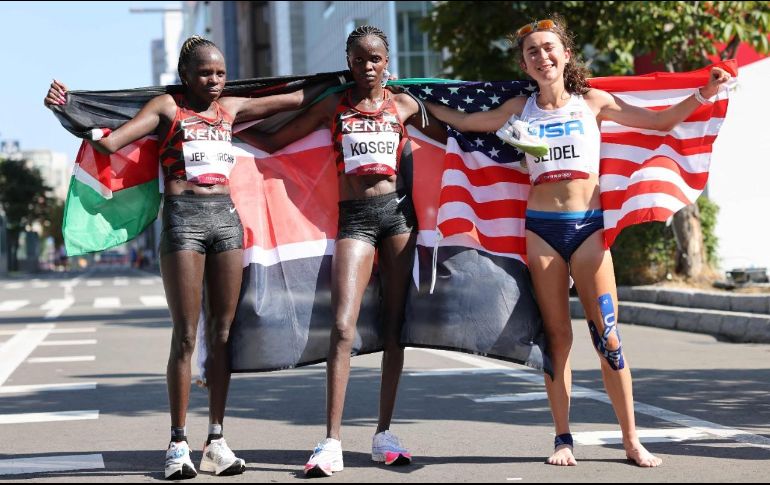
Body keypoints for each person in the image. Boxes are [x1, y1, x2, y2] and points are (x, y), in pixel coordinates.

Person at [423, 17, 731, 468]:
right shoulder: (518, 109)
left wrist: (704, 91)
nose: (542, 56)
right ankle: (562, 437)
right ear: (525, 64)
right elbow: (466, 120)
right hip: (541, 231)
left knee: (608, 337)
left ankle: (631, 441)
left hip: (589, 227)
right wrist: (413, 102)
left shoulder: (594, 102)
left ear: (566, 54)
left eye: (549, 48)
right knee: (558, 339)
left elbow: (660, 122)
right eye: (532, 51)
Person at [45, 36, 318, 480]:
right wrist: (67, 110)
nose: (214, 81)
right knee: (187, 336)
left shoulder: (230, 109)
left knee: (224, 332)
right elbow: (111, 144)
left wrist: (343, 84)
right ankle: (177, 443)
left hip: (226, 221)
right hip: (183, 222)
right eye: (206, 73)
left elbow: (291, 98)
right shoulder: (166, 109)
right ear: (185, 75)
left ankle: (217, 440)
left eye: (220, 74)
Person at [240, 25, 422, 478]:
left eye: (375, 59)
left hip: (398, 218)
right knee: (342, 327)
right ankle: (332, 441)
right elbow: (278, 138)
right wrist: (229, 129)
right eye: (358, 59)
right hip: (355, 220)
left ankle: (384, 433)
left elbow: (455, 132)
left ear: (387, 60)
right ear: (348, 61)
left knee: (394, 327)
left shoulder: (403, 104)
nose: (367, 67)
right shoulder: (333, 105)